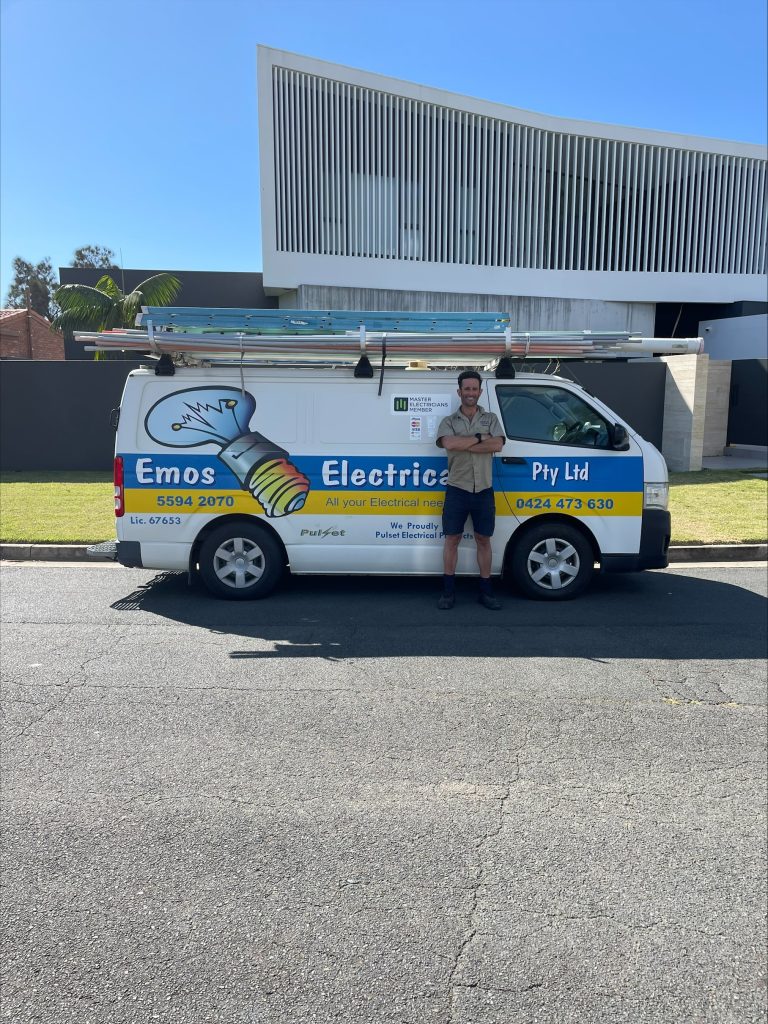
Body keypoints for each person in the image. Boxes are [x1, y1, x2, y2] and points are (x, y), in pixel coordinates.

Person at [436, 370, 506, 610]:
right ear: (459, 391)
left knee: (483, 540)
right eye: (466, 389)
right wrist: (479, 438)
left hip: (484, 490)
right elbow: (449, 443)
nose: (470, 393)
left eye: (474, 389)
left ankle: (486, 592)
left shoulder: (492, 418)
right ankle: (448, 593)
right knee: (452, 539)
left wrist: (467, 443)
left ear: (480, 391)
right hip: (457, 488)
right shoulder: (448, 421)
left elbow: (498, 444)